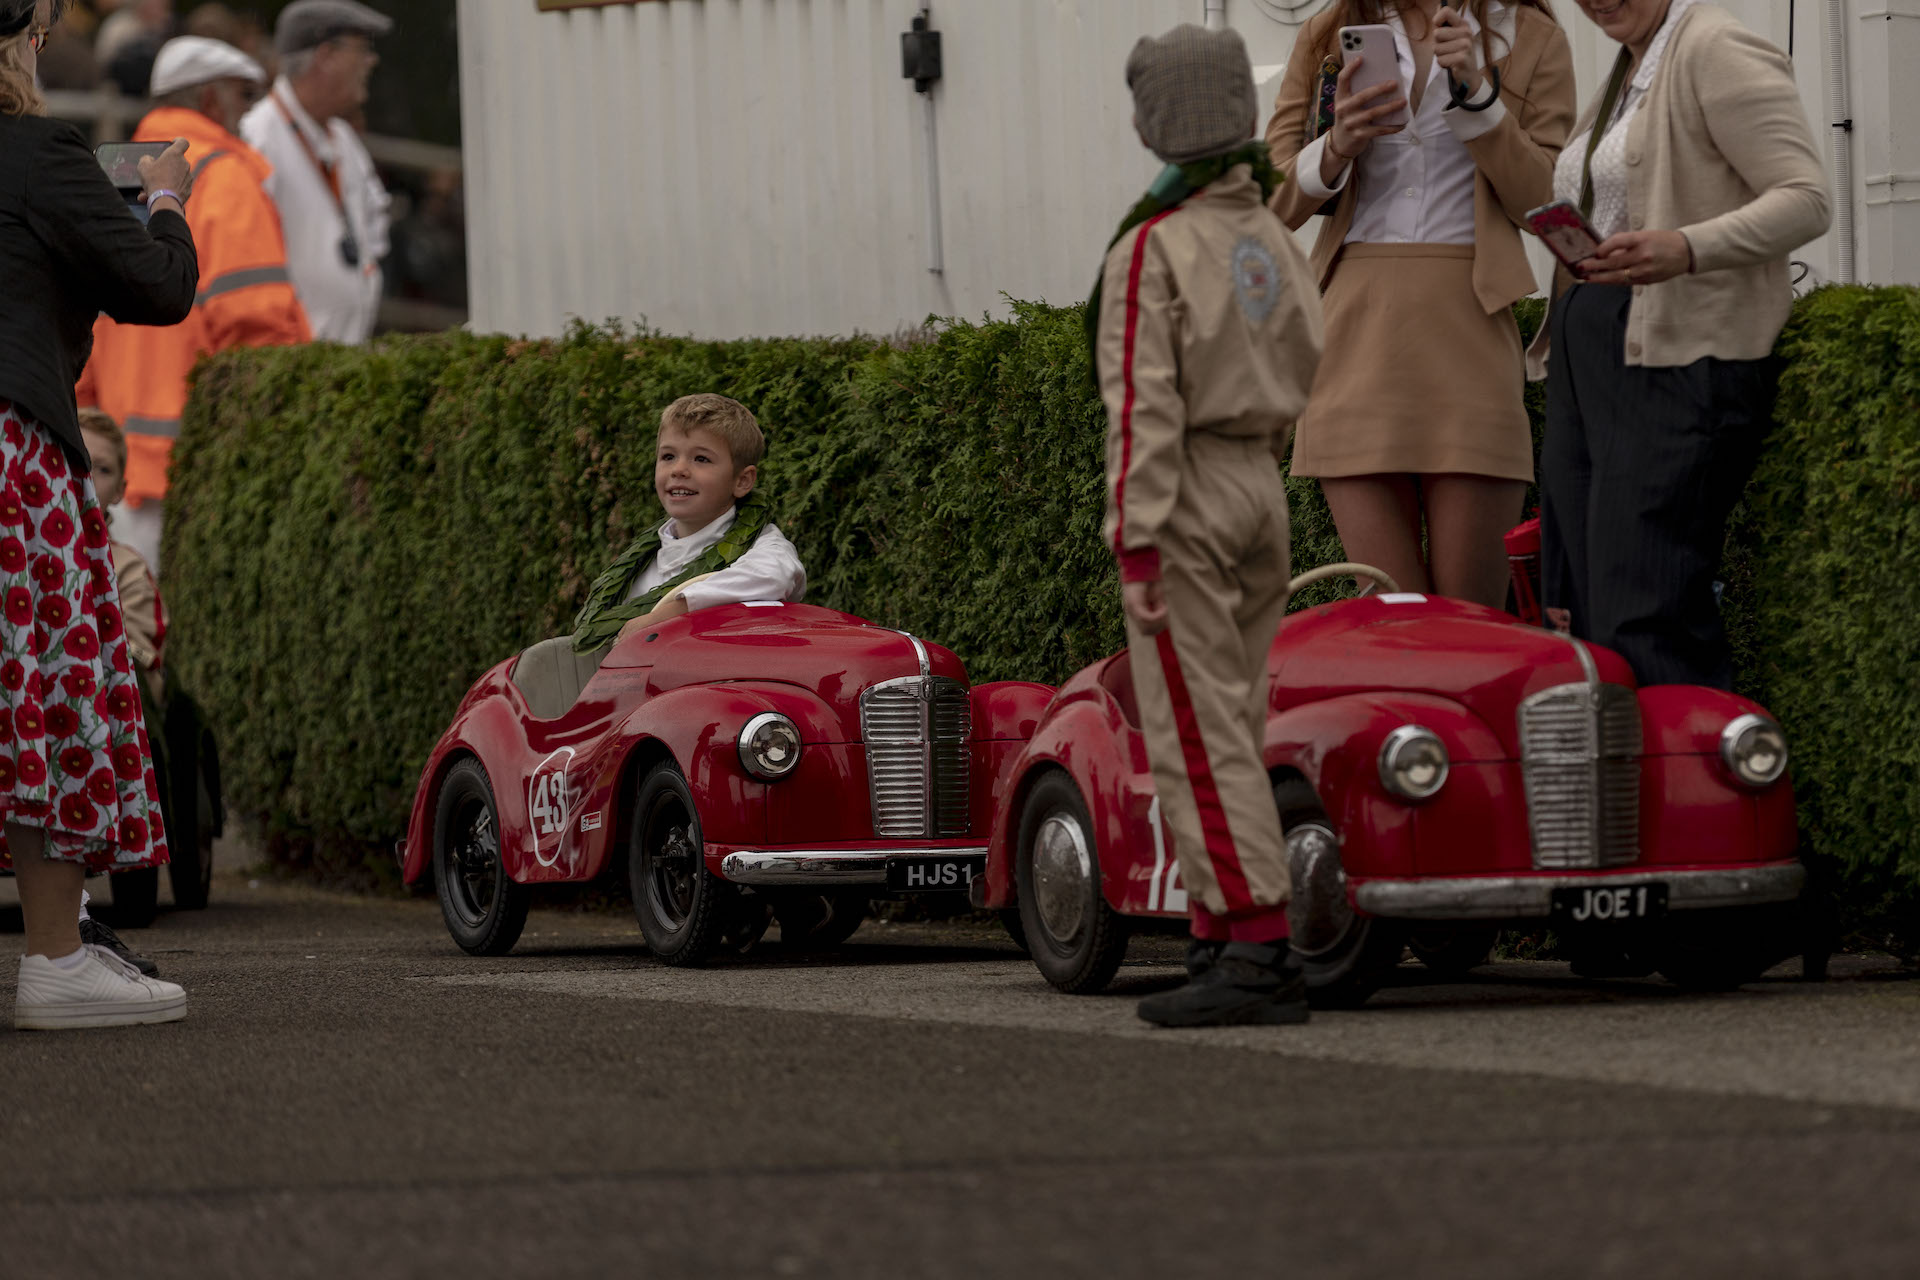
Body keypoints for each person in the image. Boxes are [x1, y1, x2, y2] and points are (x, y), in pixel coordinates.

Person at [1093, 25, 1325, 1028]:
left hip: (1183, 491)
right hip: (1260, 480)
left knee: (1195, 732)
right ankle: (1218, 931)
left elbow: (1141, 402)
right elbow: (1314, 345)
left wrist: (1137, 535)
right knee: (1236, 717)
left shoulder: (1154, 241)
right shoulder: (1269, 230)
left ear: (1155, 122)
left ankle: (1256, 946)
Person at [1534, 0, 1828, 688]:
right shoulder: (1629, 65)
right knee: (1582, 609)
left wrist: (1687, 247)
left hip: (1675, 359)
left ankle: (1695, 786)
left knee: (1645, 614)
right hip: (1596, 351)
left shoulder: (1713, 46)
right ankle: (1616, 787)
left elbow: (1808, 197)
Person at [0, 0, 191, 1028]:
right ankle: (56, 957)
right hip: (9, 452)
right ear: (21, 47)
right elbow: (155, 290)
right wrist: (160, 201)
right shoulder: (37, 153)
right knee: (39, 690)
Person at [1264, 0, 1575, 606]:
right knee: (1391, 614)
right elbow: (1265, 202)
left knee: (1471, 616)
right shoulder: (1329, 33)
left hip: (1470, 319)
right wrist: (1337, 145)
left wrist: (1480, 100)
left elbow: (1546, 204)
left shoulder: (1531, 35)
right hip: (1352, 326)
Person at [75, 36, 310, 573]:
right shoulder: (225, 177)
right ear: (210, 101)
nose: (250, 113)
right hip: (200, 465)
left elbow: (78, 324)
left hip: (111, 469)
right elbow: (258, 333)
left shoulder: (107, 176)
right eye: (246, 97)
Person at [510, 395, 807, 714]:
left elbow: (777, 574)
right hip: (631, 713)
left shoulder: (763, 546)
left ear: (742, 480)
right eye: (668, 456)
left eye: (701, 459)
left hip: (725, 710)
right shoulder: (640, 561)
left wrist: (666, 613)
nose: (679, 470)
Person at [239, 0, 391, 344]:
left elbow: (375, 229)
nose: (371, 61)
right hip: (289, 365)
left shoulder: (343, 139)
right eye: (363, 49)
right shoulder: (258, 138)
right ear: (326, 56)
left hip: (342, 358)